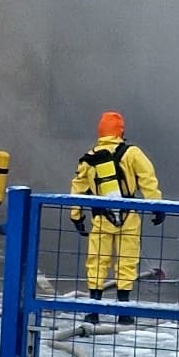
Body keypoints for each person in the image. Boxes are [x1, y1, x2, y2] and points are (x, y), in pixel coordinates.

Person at [68, 111, 162, 328]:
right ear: (121, 131)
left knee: (97, 261)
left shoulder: (90, 156)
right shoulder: (132, 153)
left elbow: (78, 188)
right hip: (128, 215)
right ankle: (124, 311)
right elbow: (148, 179)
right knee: (127, 261)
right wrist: (156, 206)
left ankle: (93, 311)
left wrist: (76, 215)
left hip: (100, 217)